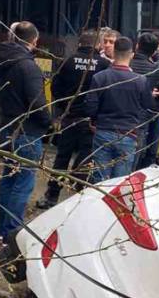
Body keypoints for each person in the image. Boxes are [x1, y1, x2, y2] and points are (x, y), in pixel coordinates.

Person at [0, 21, 51, 242]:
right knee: (23, 183)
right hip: (27, 132)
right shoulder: (28, 66)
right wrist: (49, 123)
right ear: (34, 41)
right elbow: (37, 103)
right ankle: (13, 234)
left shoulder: (0, 61)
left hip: (7, 128)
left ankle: (1, 229)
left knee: (8, 178)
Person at [36, 29, 109, 209]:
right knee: (85, 160)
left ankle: (51, 196)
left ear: (79, 44)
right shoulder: (104, 64)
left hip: (69, 118)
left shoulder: (67, 62)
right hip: (90, 121)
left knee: (62, 158)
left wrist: (64, 107)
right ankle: (77, 199)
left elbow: (55, 89)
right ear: (98, 45)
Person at [86, 37, 154, 181]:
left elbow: (90, 107)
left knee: (99, 180)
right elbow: (149, 106)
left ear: (114, 53)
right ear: (132, 54)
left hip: (103, 132)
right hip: (128, 134)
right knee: (120, 183)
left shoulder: (100, 78)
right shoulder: (140, 81)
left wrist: (94, 121)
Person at [129, 33, 159, 169]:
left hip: (123, 116)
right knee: (135, 155)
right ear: (154, 50)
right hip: (141, 118)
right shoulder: (155, 69)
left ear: (137, 46)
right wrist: (155, 52)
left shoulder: (127, 63)